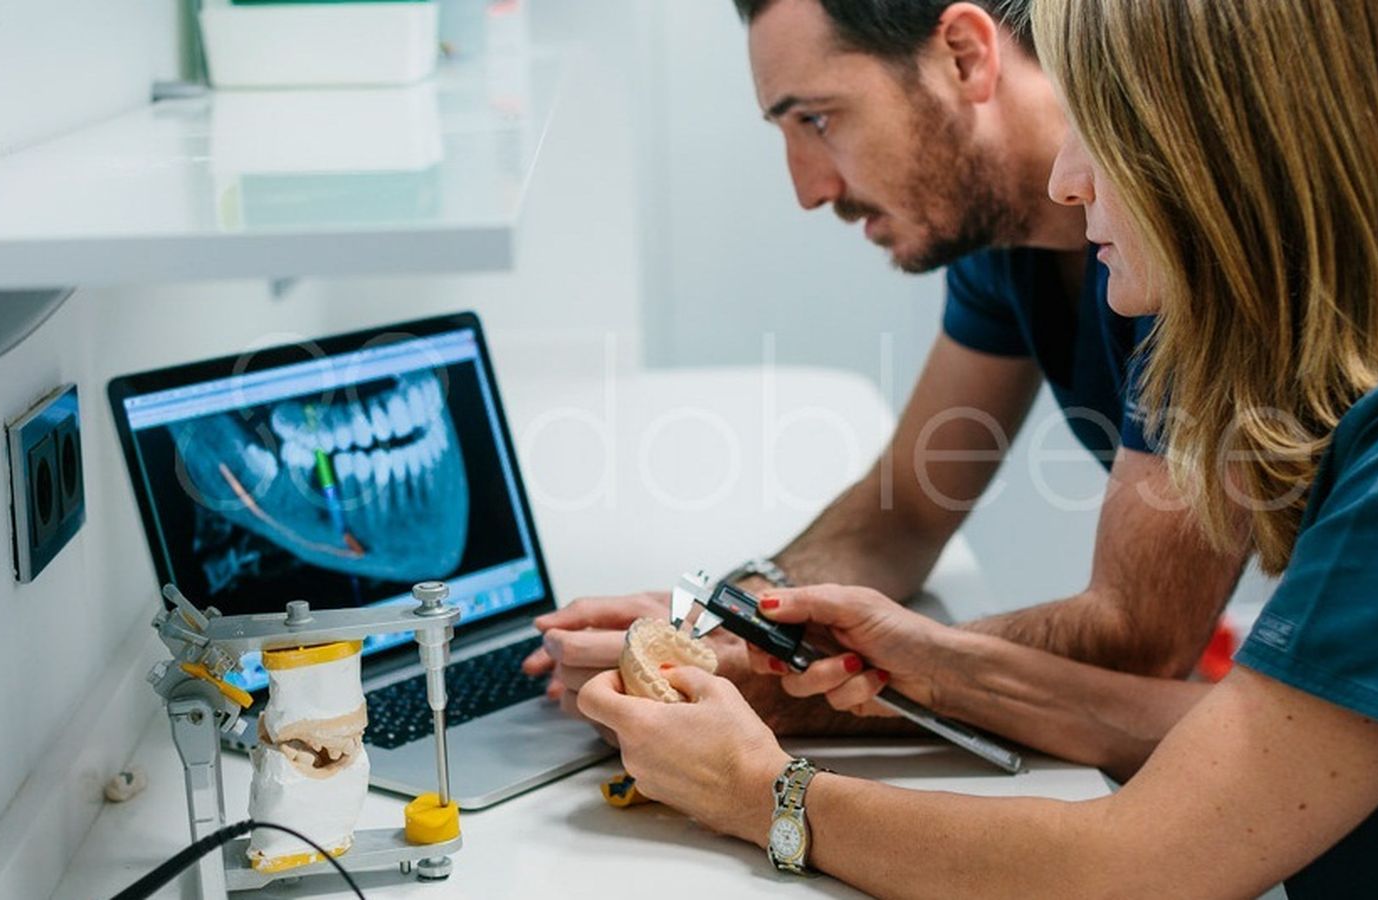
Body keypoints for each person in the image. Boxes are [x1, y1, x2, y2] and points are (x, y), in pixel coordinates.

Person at [577, 0, 1378, 895]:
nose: (1066, 182)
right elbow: (1268, 738)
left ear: (1236, 150)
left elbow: (1138, 866)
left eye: (1101, 132)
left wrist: (757, 790)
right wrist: (927, 663)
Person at [524, 0, 1245, 773]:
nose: (809, 189)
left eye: (818, 119)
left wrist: (756, 685)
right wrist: (718, 621)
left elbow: (1140, 637)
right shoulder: (1002, 234)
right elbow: (905, 507)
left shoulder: (1184, 243)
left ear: (965, 54)